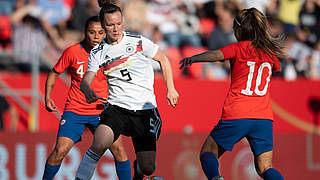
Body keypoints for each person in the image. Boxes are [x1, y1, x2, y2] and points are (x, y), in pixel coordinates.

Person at [74, 3, 179, 180]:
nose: (115, 29)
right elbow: (86, 79)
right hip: (117, 108)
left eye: (118, 23)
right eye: (110, 25)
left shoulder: (137, 41)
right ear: (103, 24)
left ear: (122, 21)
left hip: (144, 111)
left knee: (148, 168)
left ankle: (138, 170)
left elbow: (163, 59)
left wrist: (171, 88)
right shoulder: (99, 52)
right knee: (99, 143)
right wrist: (86, 89)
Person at [180, 8, 285, 180]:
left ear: (239, 30)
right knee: (265, 168)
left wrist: (194, 58)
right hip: (263, 117)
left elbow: (216, 54)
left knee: (208, 152)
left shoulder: (238, 48)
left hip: (238, 113)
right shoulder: (269, 54)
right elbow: (276, 67)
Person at [42, 16, 131, 180]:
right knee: (60, 150)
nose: (96, 37)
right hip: (75, 110)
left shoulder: (113, 52)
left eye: (100, 32)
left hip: (102, 113)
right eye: (92, 32)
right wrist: (47, 97)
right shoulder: (73, 52)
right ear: (85, 33)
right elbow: (54, 72)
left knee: (118, 149)